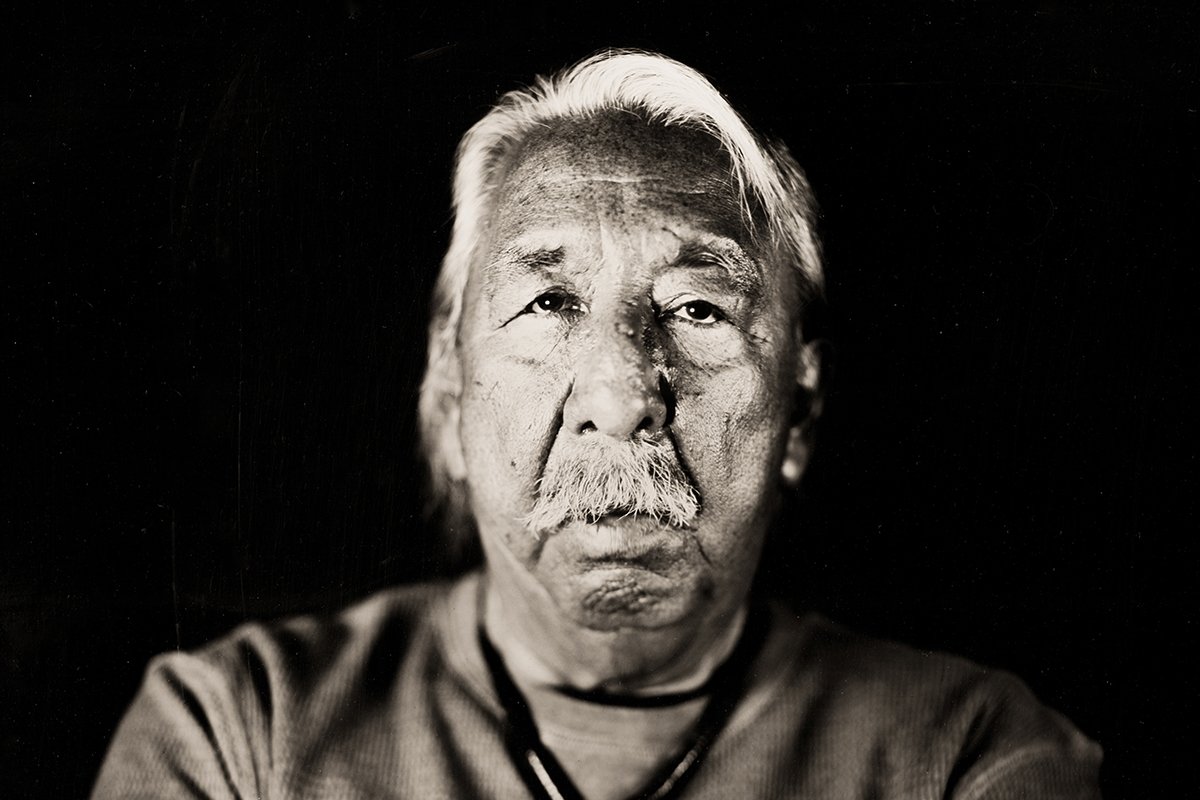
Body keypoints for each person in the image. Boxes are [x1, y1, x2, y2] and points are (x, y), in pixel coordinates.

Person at [92, 49, 1102, 799]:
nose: (621, 394)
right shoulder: (236, 730)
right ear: (448, 397)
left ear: (800, 411)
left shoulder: (969, 752)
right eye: (548, 303)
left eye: (699, 309)